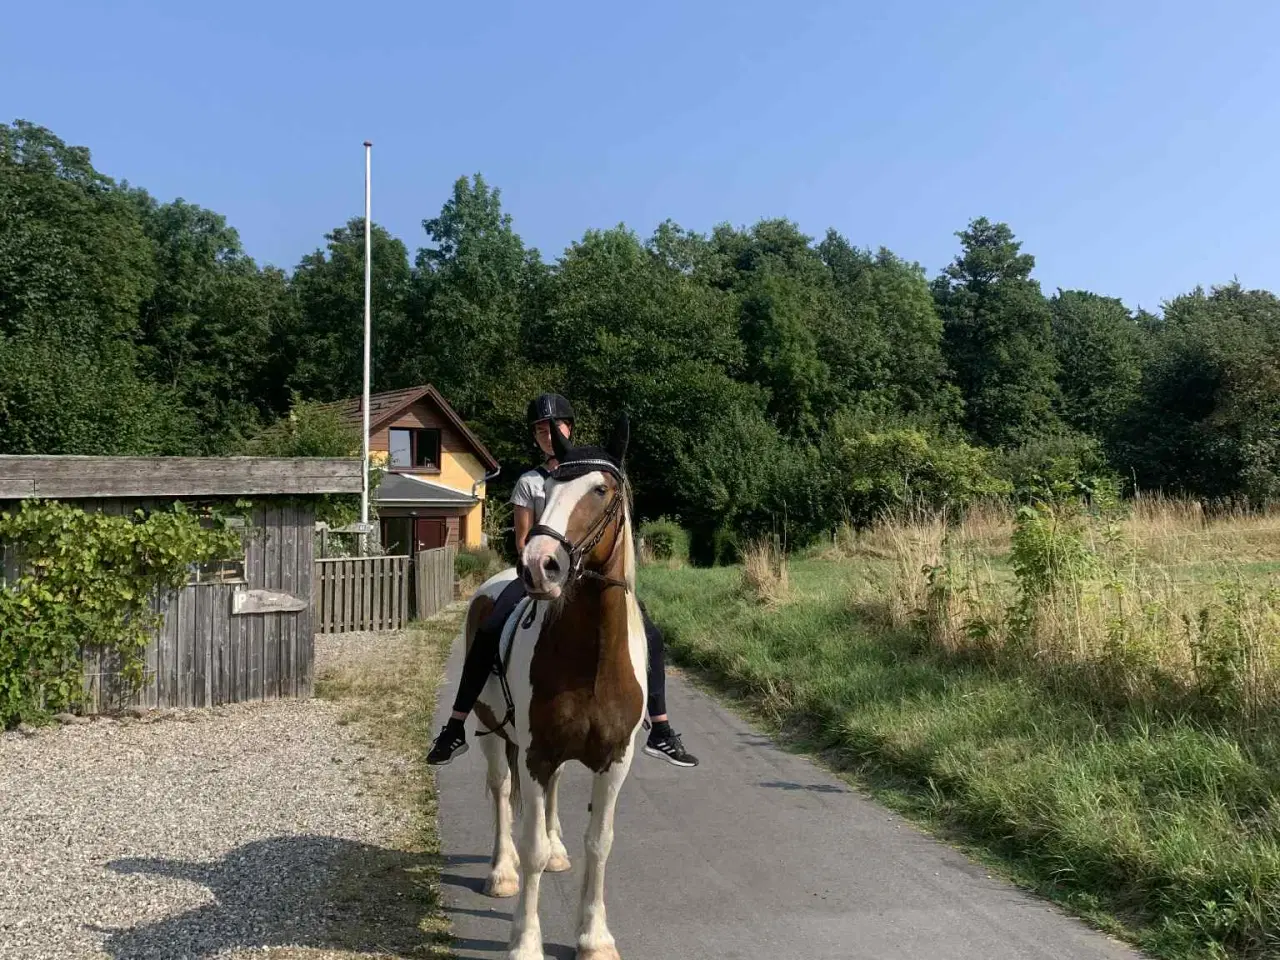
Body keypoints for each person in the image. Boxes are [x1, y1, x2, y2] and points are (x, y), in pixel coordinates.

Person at [426, 393, 699, 769]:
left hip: (585, 575)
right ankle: (456, 725)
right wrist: (538, 562)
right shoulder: (530, 482)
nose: (546, 434)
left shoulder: (583, 475)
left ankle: (662, 728)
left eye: (553, 427)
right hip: (539, 571)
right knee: (490, 625)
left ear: (569, 428)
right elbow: (523, 539)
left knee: (649, 633)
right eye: (539, 429)